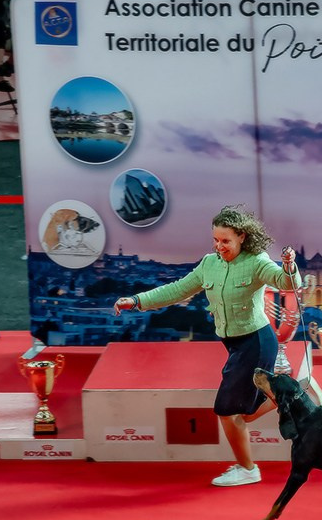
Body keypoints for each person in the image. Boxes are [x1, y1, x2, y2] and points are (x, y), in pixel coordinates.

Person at [113, 205, 301, 486]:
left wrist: (289, 265)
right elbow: (177, 289)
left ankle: (248, 469)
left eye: (226, 240)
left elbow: (285, 281)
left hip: (256, 342)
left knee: (227, 409)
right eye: (215, 239)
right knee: (245, 413)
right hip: (234, 344)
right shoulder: (209, 263)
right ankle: (291, 394)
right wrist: (137, 300)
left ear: (242, 237)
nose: (219, 246)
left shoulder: (257, 261)